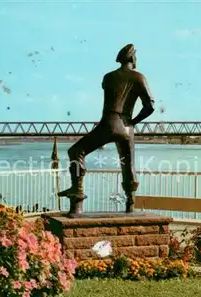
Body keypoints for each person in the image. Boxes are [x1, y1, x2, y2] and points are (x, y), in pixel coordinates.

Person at [58, 44, 155, 213]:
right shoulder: (139, 77)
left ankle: (77, 193)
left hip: (109, 122)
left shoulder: (108, 77)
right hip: (126, 127)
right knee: (128, 165)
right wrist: (133, 122)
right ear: (132, 58)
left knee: (76, 151)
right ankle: (130, 205)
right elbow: (150, 106)